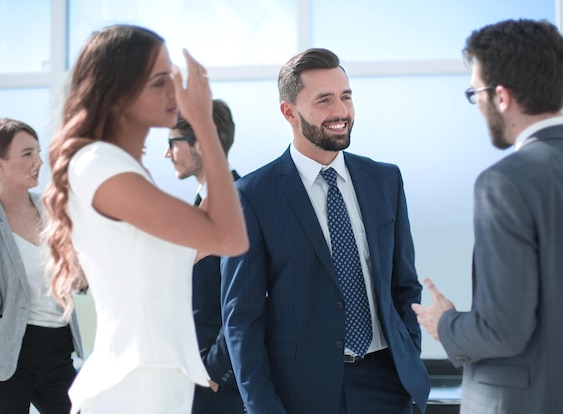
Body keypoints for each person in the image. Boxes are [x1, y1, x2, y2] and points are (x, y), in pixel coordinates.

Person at [412, 18, 563, 414]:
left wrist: (445, 323)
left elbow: (502, 330)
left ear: (502, 96)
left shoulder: (505, 182)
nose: (476, 103)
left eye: (474, 92)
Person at [43, 24, 248, 414]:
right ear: (117, 93)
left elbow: (203, 243)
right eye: (159, 82)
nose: (175, 92)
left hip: (156, 382)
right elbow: (228, 237)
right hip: (133, 385)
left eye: (172, 77)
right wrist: (203, 123)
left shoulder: (123, 172)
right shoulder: (101, 166)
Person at [221, 48, 430, 414]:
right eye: (324, 100)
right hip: (301, 394)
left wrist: (408, 350)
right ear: (289, 112)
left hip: (387, 386)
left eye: (346, 97)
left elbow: (404, 284)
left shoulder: (386, 180)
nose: (341, 112)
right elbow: (242, 319)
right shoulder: (252, 196)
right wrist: (262, 407)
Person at [165, 101, 244, 413]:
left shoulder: (240, 202)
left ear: (199, 141)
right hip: (189, 378)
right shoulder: (198, 204)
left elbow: (248, 302)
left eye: (172, 143)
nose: (167, 154)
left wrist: (214, 373)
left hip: (220, 385)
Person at [0, 118, 83, 414]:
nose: (38, 162)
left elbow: (78, 276)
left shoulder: (52, 211)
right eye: (27, 154)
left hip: (58, 346)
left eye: (38, 152)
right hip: (10, 356)